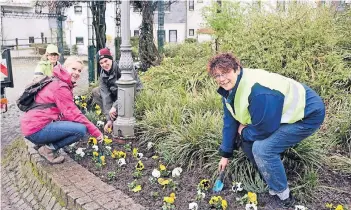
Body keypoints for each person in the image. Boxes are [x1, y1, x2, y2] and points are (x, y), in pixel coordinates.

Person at [208, 53, 325, 208]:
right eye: (217, 75)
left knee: (263, 149)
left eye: (225, 73)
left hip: (308, 114)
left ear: (236, 69)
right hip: (279, 113)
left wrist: (243, 132)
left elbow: (264, 130)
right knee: (247, 141)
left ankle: (283, 195)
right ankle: (271, 172)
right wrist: (225, 155)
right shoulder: (229, 90)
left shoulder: (257, 91)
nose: (221, 79)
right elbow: (230, 121)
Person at [21, 56, 103, 164]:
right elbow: (73, 114)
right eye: (73, 69)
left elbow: (65, 113)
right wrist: (95, 131)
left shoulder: (57, 81)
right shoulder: (61, 87)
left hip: (31, 127)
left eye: (79, 70)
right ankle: (48, 150)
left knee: (74, 125)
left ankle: (44, 144)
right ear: (65, 67)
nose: (77, 72)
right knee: (80, 130)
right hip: (36, 129)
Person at [92, 48, 142, 133]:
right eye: (101, 63)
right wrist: (109, 119)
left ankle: (122, 115)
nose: (104, 65)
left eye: (106, 61)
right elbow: (105, 96)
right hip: (117, 95)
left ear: (111, 59)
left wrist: (115, 106)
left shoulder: (123, 68)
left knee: (129, 98)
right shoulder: (103, 74)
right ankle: (113, 118)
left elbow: (128, 91)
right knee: (96, 91)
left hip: (133, 93)